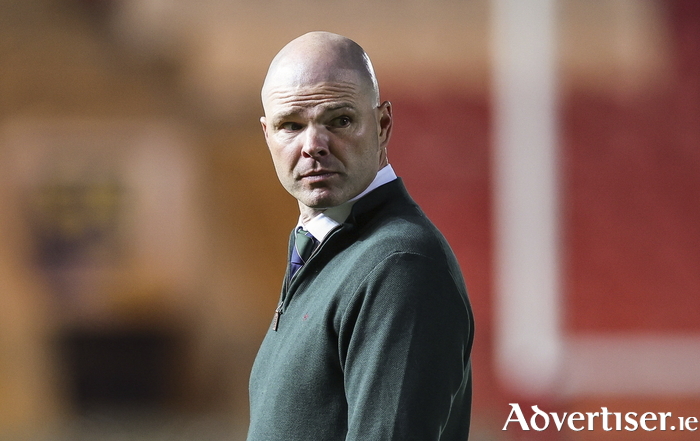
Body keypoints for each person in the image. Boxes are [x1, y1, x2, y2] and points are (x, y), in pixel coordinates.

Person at [247, 31, 474, 441]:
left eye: (340, 120)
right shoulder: (324, 248)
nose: (313, 145)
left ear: (382, 124)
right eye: (290, 126)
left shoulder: (398, 266)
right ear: (268, 135)